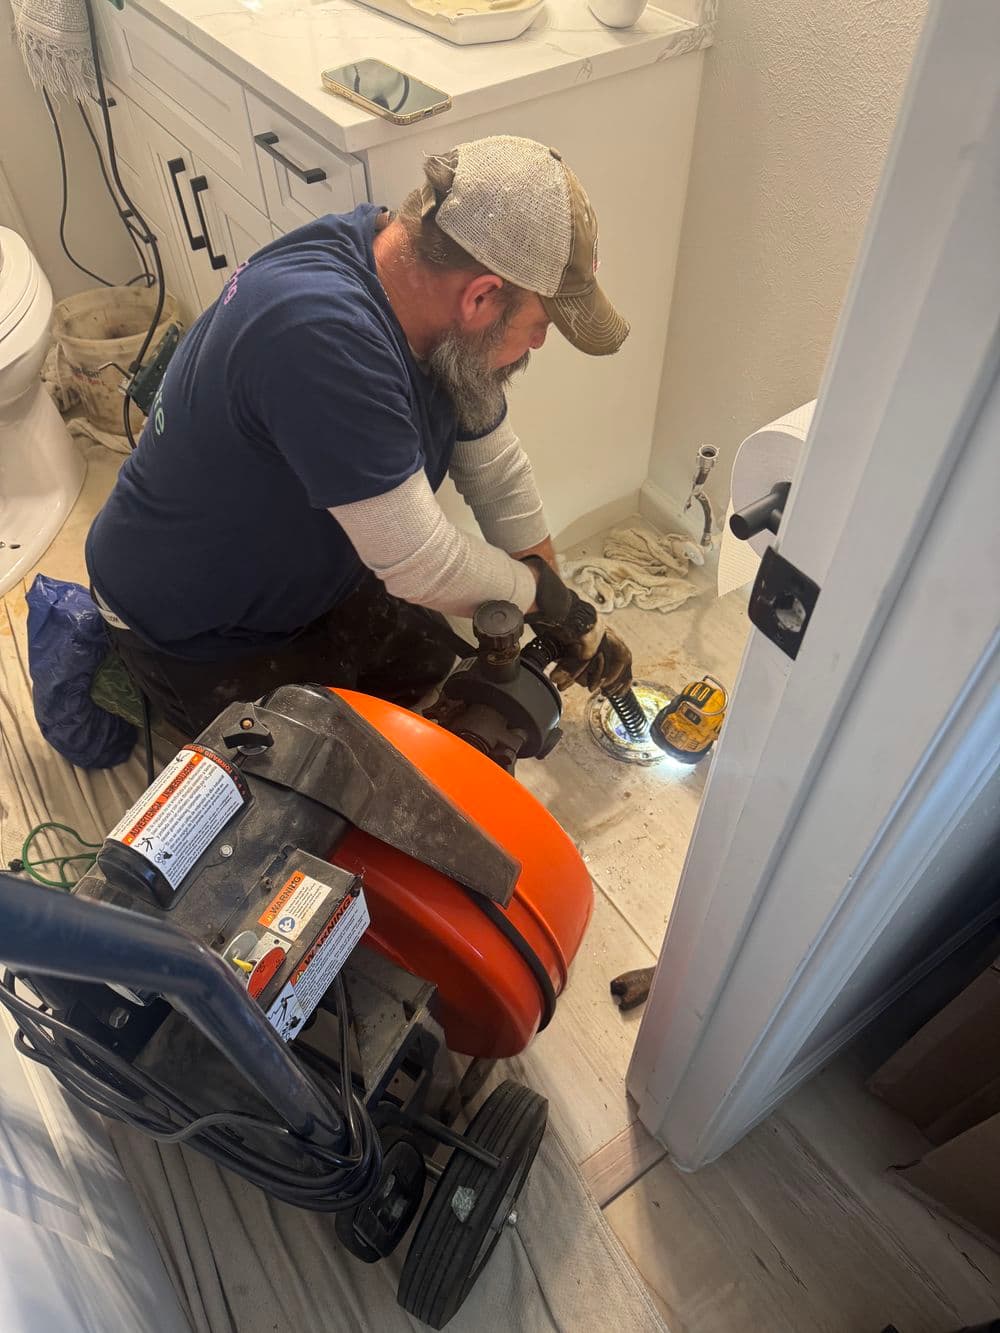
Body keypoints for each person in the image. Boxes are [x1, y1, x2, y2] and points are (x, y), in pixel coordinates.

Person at [86, 135, 635, 736]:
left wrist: (558, 603)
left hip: (309, 575)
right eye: (540, 323)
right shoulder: (321, 332)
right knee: (331, 780)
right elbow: (420, 562)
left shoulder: (415, 275)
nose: (539, 343)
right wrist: (543, 599)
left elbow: (494, 471)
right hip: (195, 621)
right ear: (481, 297)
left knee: (445, 702)